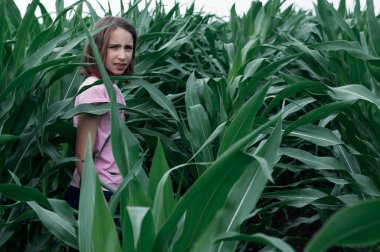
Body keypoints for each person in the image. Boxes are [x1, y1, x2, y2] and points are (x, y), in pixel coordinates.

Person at [64, 16, 137, 210]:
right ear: (97, 48)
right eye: (114, 47)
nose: (123, 56)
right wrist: (101, 206)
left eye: (128, 48)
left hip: (113, 189)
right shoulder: (95, 90)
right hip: (97, 193)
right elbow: (83, 157)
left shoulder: (111, 88)